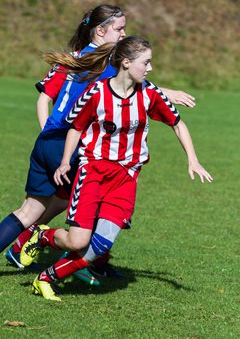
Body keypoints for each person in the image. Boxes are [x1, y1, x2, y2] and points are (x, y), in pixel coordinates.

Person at [3, 3, 195, 278]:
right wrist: (168, 92)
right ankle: (82, 264)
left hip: (47, 141)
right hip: (71, 142)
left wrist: (47, 132)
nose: (123, 33)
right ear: (101, 30)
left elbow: (44, 97)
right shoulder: (105, 62)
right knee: (95, 205)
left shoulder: (72, 57)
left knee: (35, 209)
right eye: (119, 28)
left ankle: (30, 247)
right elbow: (126, 83)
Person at [20, 36, 213, 301]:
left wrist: (193, 159)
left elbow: (177, 123)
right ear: (126, 63)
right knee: (78, 242)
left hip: (126, 177)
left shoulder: (149, 94)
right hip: (93, 173)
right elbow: (76, 127)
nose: (150, 68)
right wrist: (66, 162)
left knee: (100, 245)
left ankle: (46, 279)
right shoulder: (96, 93)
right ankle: (42, 236)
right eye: (145, 62)